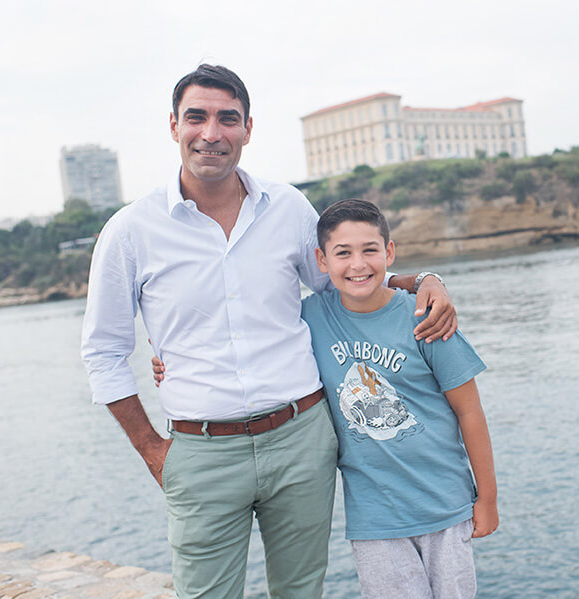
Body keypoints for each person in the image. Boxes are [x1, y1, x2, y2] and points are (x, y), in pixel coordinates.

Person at [80, 64, 456, 599]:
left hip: (302, 437)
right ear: (173, 125)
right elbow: (103, 352)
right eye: (197, 117)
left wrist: (419, 280)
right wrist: (152, 449)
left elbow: (337, 282)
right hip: (201, 450)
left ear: (247, 129)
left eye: (227, 119)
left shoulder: (287, 208)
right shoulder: (129, 232)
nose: (211, 133)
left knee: (302, 591)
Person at [304, 199, 498, 598]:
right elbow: (248, 334)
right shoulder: (311, 317)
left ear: (389, 253)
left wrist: (489, 498)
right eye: (343, 253)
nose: (358, 264)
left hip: (446, 505)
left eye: (370, 250)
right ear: (322, 261)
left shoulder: (426, 317)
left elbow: (470, 411)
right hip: (375, 517)